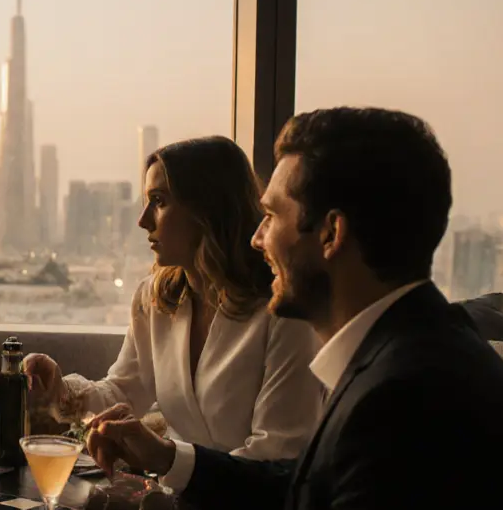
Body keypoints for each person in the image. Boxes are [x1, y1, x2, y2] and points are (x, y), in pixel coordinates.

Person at [0, 107, 503, 510]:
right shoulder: (404, 357)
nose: (255, 238)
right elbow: (293, 490)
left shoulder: (404, 396)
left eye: (270, 217)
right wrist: (165, 457)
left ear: (331, 233)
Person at [25, 136, 322, 460]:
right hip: (175, 498)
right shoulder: (155, 299)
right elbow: (123, 390)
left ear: (207, 209)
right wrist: (58, 387)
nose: (143, 221)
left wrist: (171, 465)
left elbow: (276, 453)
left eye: (159, 201)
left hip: (252, 504)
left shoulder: (282, 311)